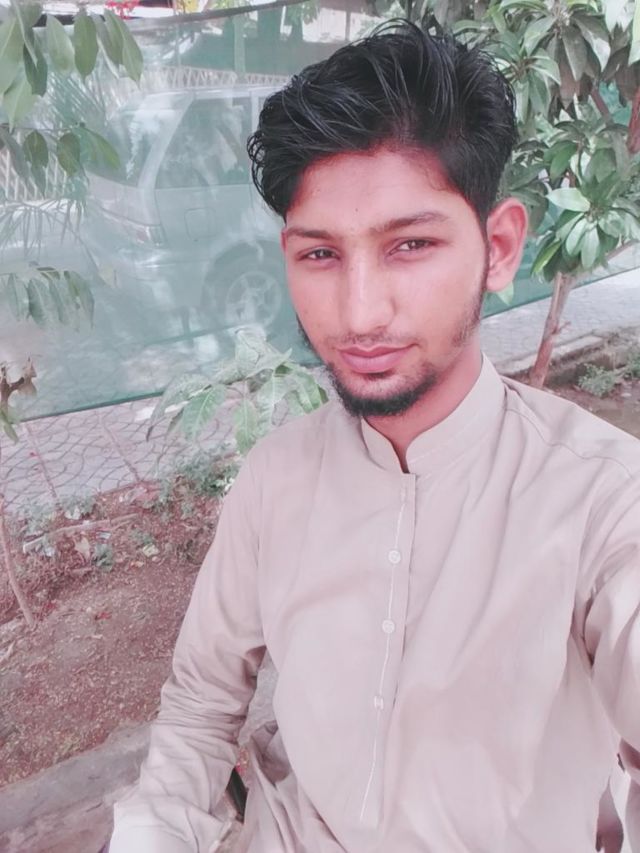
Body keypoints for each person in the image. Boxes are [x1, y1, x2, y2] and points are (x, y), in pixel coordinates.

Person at [109, 21, 640, 853]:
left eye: (410, 245)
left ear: (499, 248)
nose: (359, 313)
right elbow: (201, 702)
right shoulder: (274, 479)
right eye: (321, 255)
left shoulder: (602, 501)